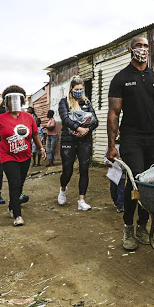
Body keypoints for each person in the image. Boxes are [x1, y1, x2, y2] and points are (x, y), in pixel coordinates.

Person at [106, 35, 154, 251]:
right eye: (139, 46)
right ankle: (128, 227)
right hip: (131, 138)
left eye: (146, 46)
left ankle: (142, 225)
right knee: (136, 182)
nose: (142, 49)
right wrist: (112, 145)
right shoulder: (121, 78)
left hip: (152, 138)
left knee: (150, 183)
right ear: (130, 50)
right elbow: (113, 113)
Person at [0, 85, 46, 226]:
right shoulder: (0, 119)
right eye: (11, 99)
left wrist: (41, 148)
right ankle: (18, 215)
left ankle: (12, 205)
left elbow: (34, 134)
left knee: (20, 184)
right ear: (6, 101)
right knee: (14, 183)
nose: (14, 102)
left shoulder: (28, 118)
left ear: (22, 101)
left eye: (18, 99)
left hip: (25, 156)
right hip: (8, 156)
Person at [57, 76, 98, 211]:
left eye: (81, 89)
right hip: (68, 140)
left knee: (84, 169)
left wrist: (87, 129)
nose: (79, 91)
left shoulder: (87, 102)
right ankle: (63, 189)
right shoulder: (64, 102)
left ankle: (81, 200)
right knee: (67, 171)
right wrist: (77, 128)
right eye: (76, 89)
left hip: (84, 140)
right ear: (71, 89)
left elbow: (95, 121)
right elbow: (65, 118)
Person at [104, 130, 125, 213]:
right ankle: (115, 200)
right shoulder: (110, 147)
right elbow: (105, 157)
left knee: (121, 189)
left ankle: (120, 205)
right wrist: (107, 162)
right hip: (113, 171)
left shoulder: (125, 147)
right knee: (113, 188)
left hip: (122, 172)